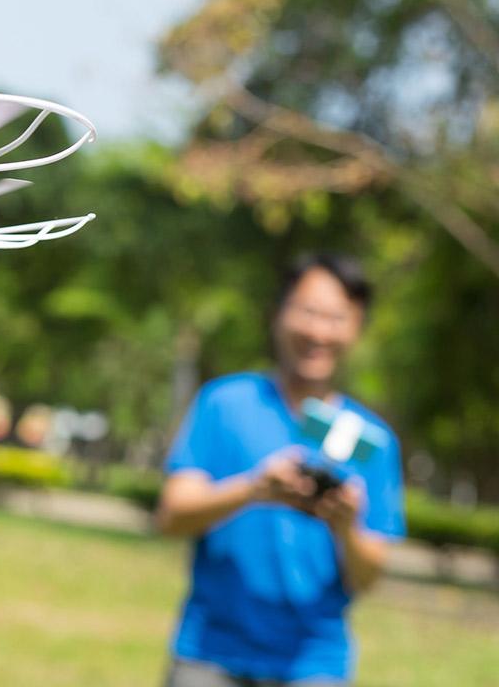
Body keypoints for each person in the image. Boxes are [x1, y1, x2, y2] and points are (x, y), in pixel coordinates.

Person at [156, 253, 406, 686]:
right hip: (210, 651)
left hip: (314, 661)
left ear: (357, 327)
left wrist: (344, 526)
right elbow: (173, 515)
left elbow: (368, 576)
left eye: (337, 317)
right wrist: (254, 490)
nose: (319, 331)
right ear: (278, 314)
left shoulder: (373, 441)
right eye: (308, 312)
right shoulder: (225, 403)